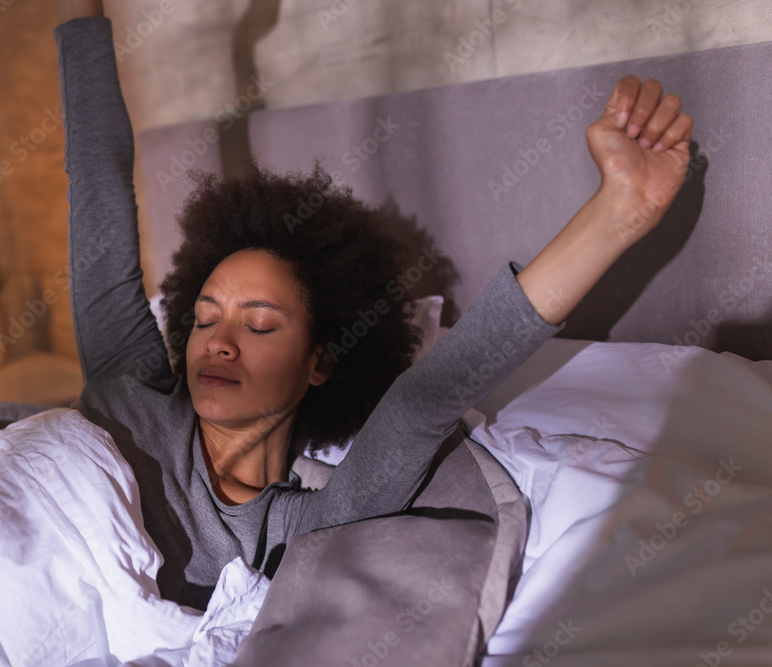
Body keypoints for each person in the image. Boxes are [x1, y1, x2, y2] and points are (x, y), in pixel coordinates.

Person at [55, 0, 693, 611]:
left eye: (258, 323)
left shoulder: (296, 533)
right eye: (204, 317)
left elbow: (430, 397)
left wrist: (620, 211)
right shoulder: (128, 384)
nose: (218, 341)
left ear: (320, 363)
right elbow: (98, 185)